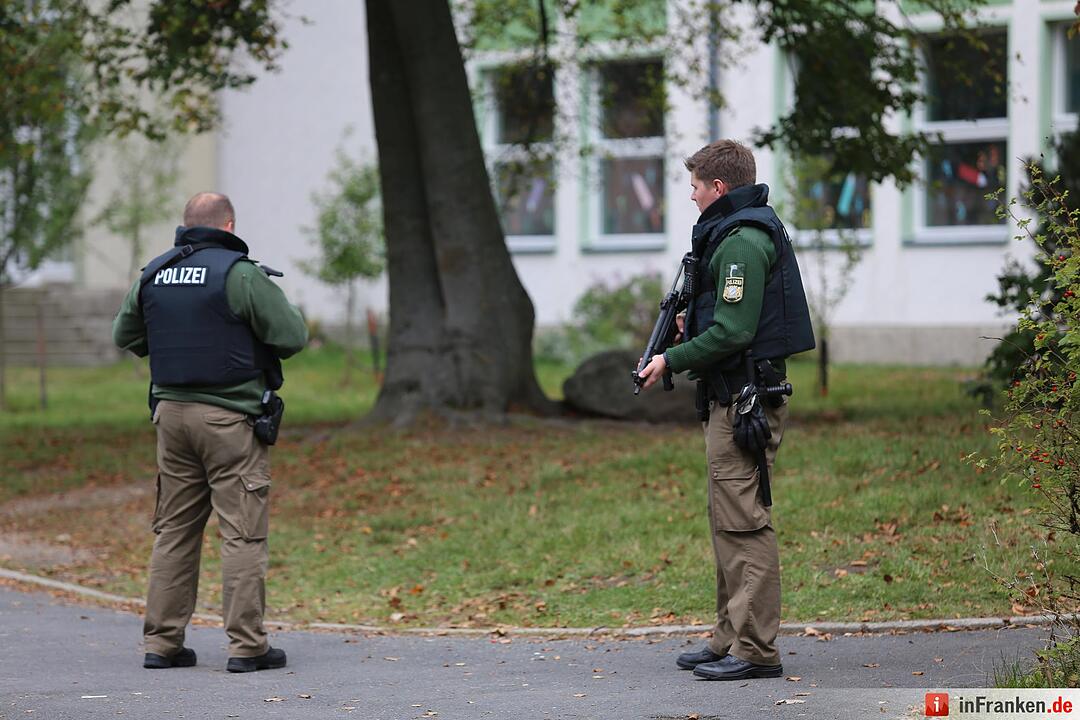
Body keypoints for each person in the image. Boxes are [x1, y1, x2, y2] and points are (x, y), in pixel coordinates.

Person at [637, 140, 815, 681]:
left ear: (719, 188)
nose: (690, 196)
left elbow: (736, 331)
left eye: (695, 186)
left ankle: (756, 650)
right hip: (731, 397)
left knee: (744, 524)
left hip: (746, 403)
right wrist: (697, 324)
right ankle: (728, 636)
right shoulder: (732, 236)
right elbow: (734, 321)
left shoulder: (741, 241)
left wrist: (671, 358)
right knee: (727, 522)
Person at [113, 192, 308, 673]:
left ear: (186, 225)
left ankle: (161, 644)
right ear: (229, 223)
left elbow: (126, 335)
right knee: (242, 533)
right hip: (230, 420)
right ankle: (247, 647)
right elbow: (291, 336)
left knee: (174, 530)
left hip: (171, 418)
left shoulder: (155, 272)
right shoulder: (239, 273)